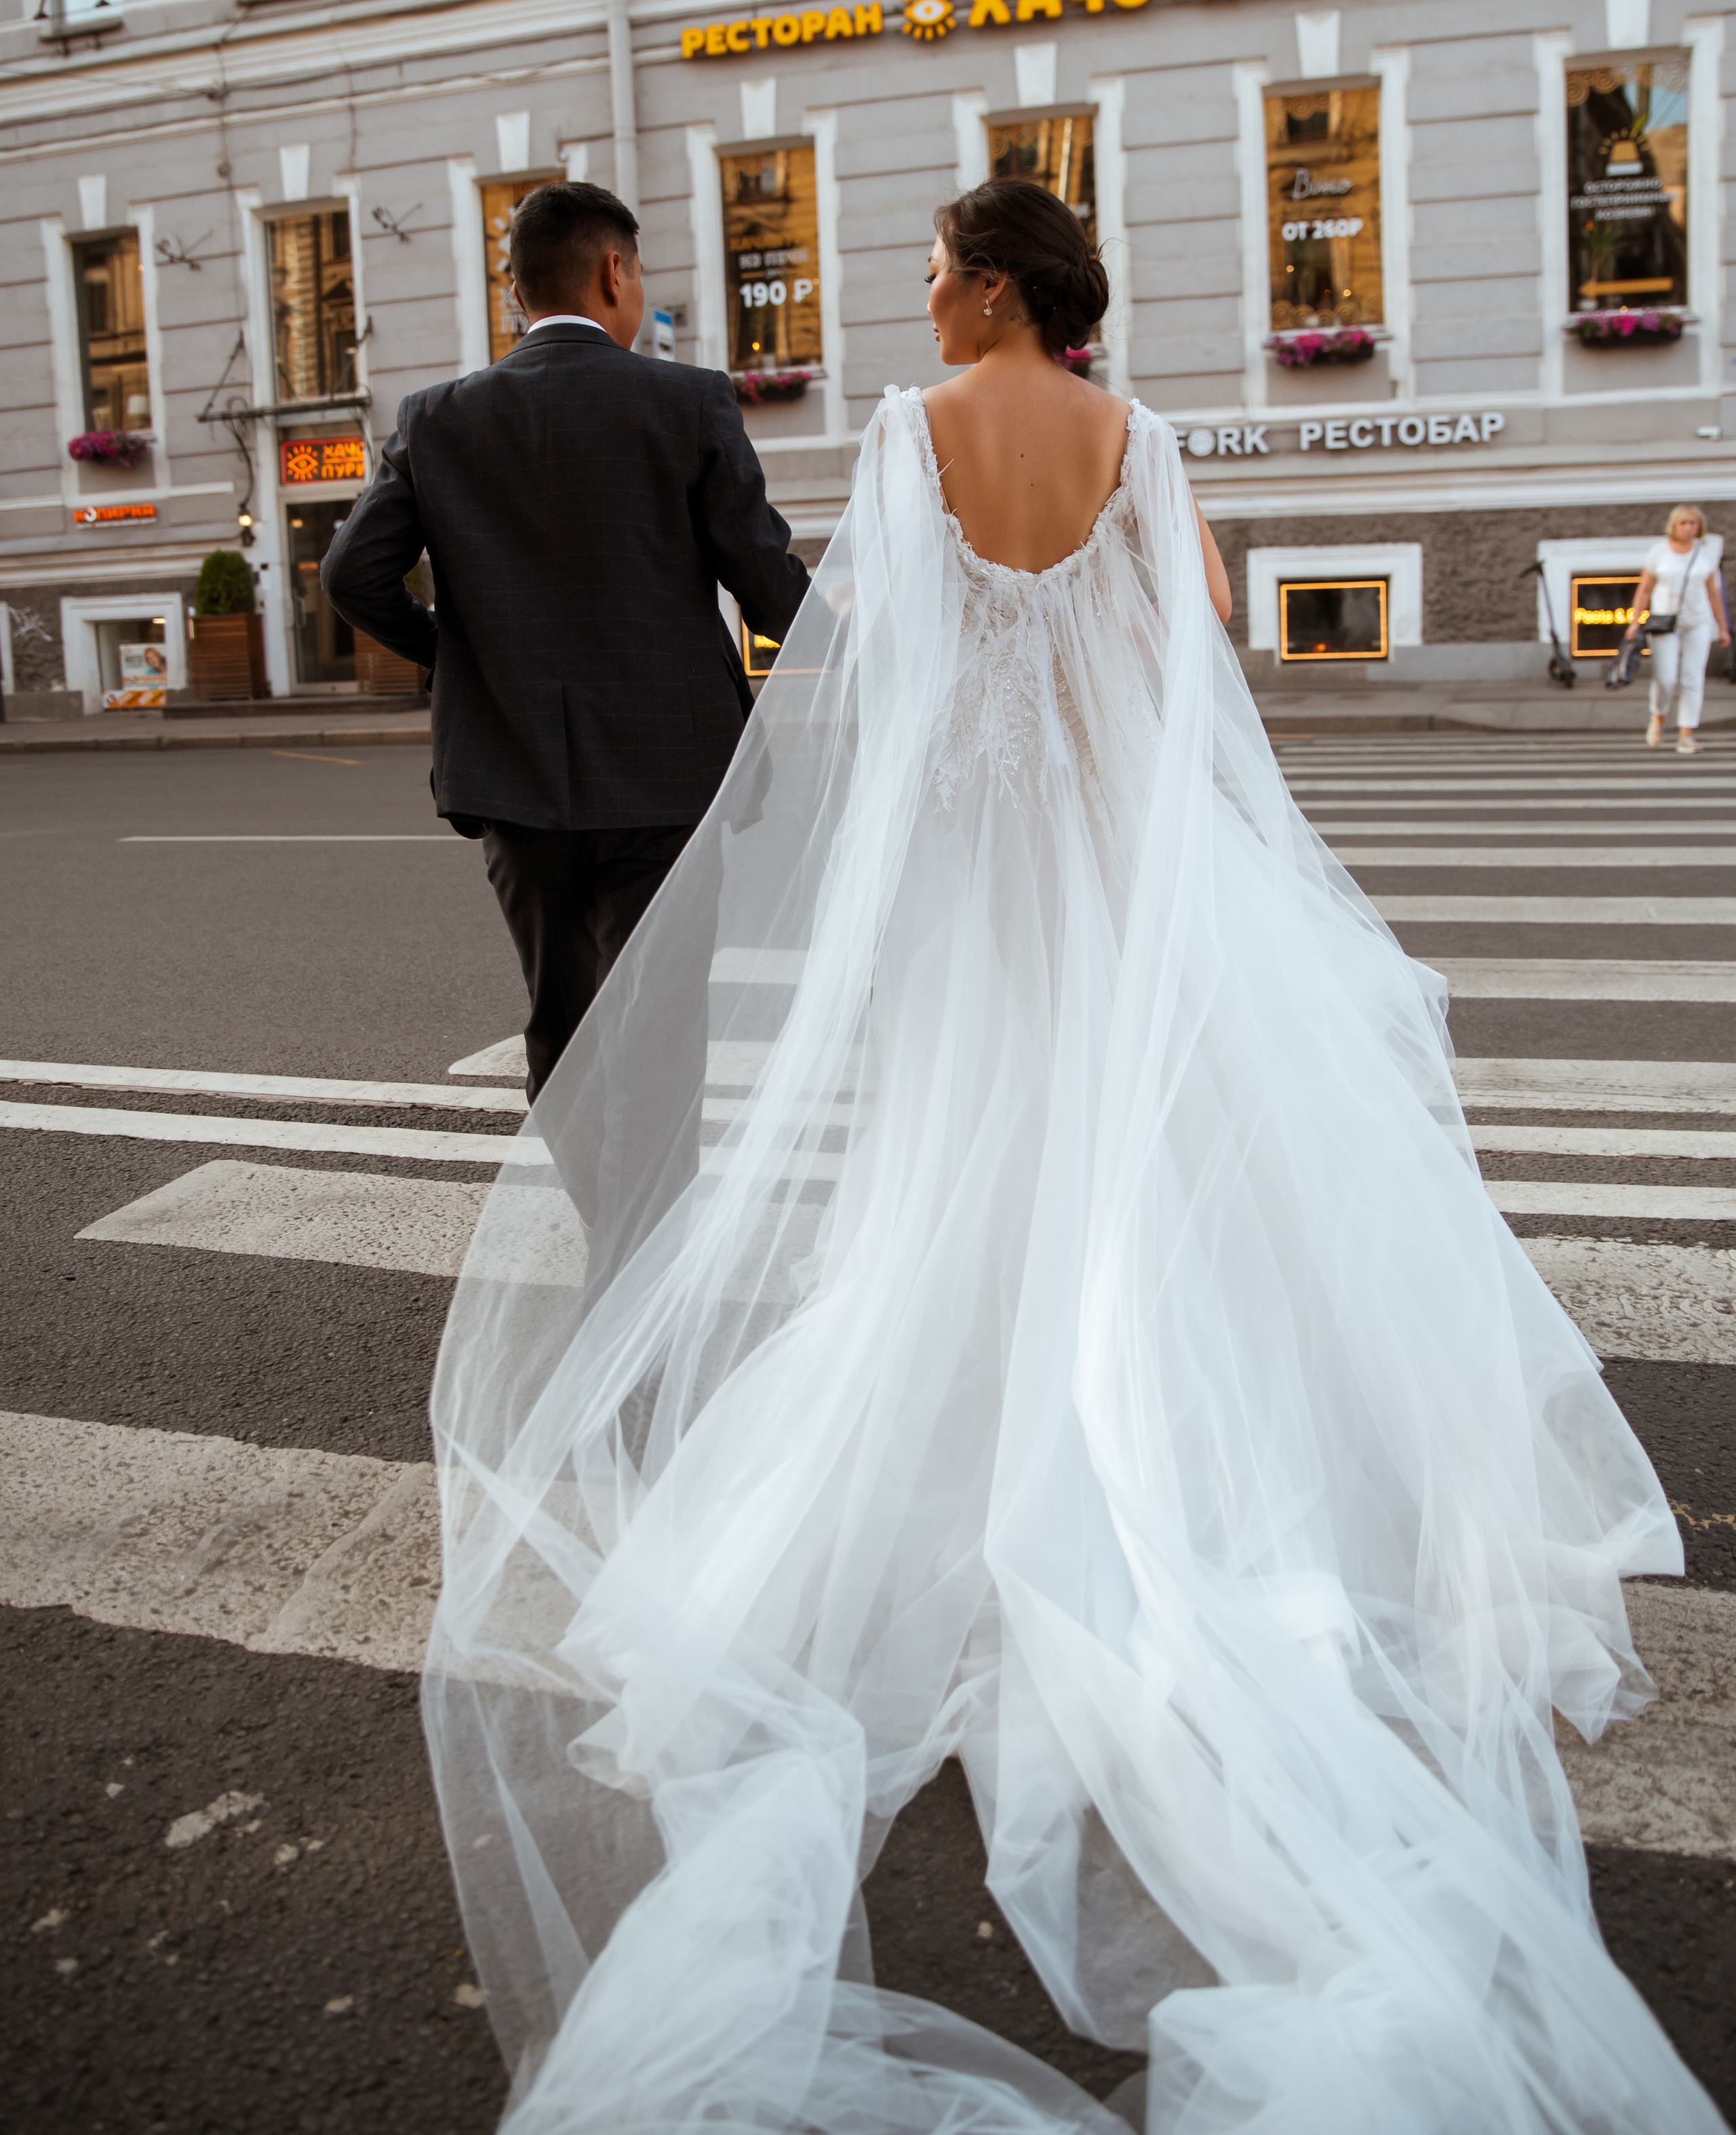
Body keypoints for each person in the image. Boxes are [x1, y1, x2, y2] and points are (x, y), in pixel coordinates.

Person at [422, 179, 1714, 2134]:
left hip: (968, 884)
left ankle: (994, 1459)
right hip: (1112, 874)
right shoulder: (1138, 434)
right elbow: (1174, 661)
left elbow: (879, 674)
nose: (923, 285)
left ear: (999, 280)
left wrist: (901, 844)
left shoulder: (906, 431)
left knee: (965, 1178)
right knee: (1142, 1176)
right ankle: (1163, 1477)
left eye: (943, 259)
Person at [321, 181, 810, 1099]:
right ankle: (646, 1238)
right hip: (670, 772)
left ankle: (603, 1219)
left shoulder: (437, 418)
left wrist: (454, 652)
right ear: (614, 269)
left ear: (518, 295)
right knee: (665, 1017)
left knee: (561, 1016)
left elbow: (352, 576)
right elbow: (765, 580)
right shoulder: (687, 401)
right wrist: (866, 646)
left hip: (511, 770)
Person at [1623, 503, 1729, 754]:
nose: (1689, 528)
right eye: (1684, 523)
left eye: (1693, 523)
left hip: (1698, 622)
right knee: (1666, 678)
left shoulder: (1706, 554)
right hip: (1664, 624)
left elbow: (1714, 594)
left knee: (1693, 678)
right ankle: (1658, 716)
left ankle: (1686, 735)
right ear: (1674, 526)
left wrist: (1723, 628)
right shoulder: (1659, 553)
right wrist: (1635, 621)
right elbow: (1645, 589)